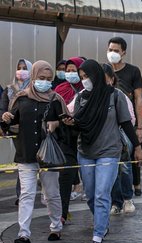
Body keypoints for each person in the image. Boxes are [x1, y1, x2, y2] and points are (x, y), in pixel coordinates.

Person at [64, 59, 142, 243]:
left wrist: (138, 147)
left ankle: (98, 232)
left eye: (87, 76)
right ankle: (101, 220)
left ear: (96, 75)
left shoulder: (115, 96)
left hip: (109, 151)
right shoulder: (82, 97)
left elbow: (125, 123)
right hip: (85, 151)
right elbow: (78, 123)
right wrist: (70, 123)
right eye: (82, 77)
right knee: (91, 194)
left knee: (101, 193)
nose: (84, 80)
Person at [1, 60, 68, 243]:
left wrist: (57, 124)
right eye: (41, 78)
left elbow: (68, 128)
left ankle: (56, 228)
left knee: (52, 194)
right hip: (26, 154)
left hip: (49, 157)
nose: (45, 82)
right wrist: (5, 119)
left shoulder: (56, 100)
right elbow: (9, 125)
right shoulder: (21, 98)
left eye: (48, 79)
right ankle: (24, 233)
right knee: (26, 194)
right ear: (33, 77)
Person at [107, 37, 142, 199]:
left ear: (123, 53)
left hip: (129, 122)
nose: (112, 53)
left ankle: (134, 187)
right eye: (110, 50)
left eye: (116, 50)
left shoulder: (133, 71)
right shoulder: (104, 70)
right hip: (109, 124)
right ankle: (117, 196)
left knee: (130, 154)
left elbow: (138, 99)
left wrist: (140, 127)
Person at [53, 56, 85, 223]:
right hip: (65, 138)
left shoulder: (87, 90)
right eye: (68, 70)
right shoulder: (59, 89)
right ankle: (63, 213)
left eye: (74, 70)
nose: (70, 73)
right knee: (65, 175)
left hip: (86, 138)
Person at [1, 59, 33, 206]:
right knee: (23, 159)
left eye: (25, 68)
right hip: (14, 129)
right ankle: (22, 194)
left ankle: (29, 192)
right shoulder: (9, 89)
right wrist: (3, 118)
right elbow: (3, 107)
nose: (21, 70)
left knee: (28, 160)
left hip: (31, 129)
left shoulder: (34, 88)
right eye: (19, 68)